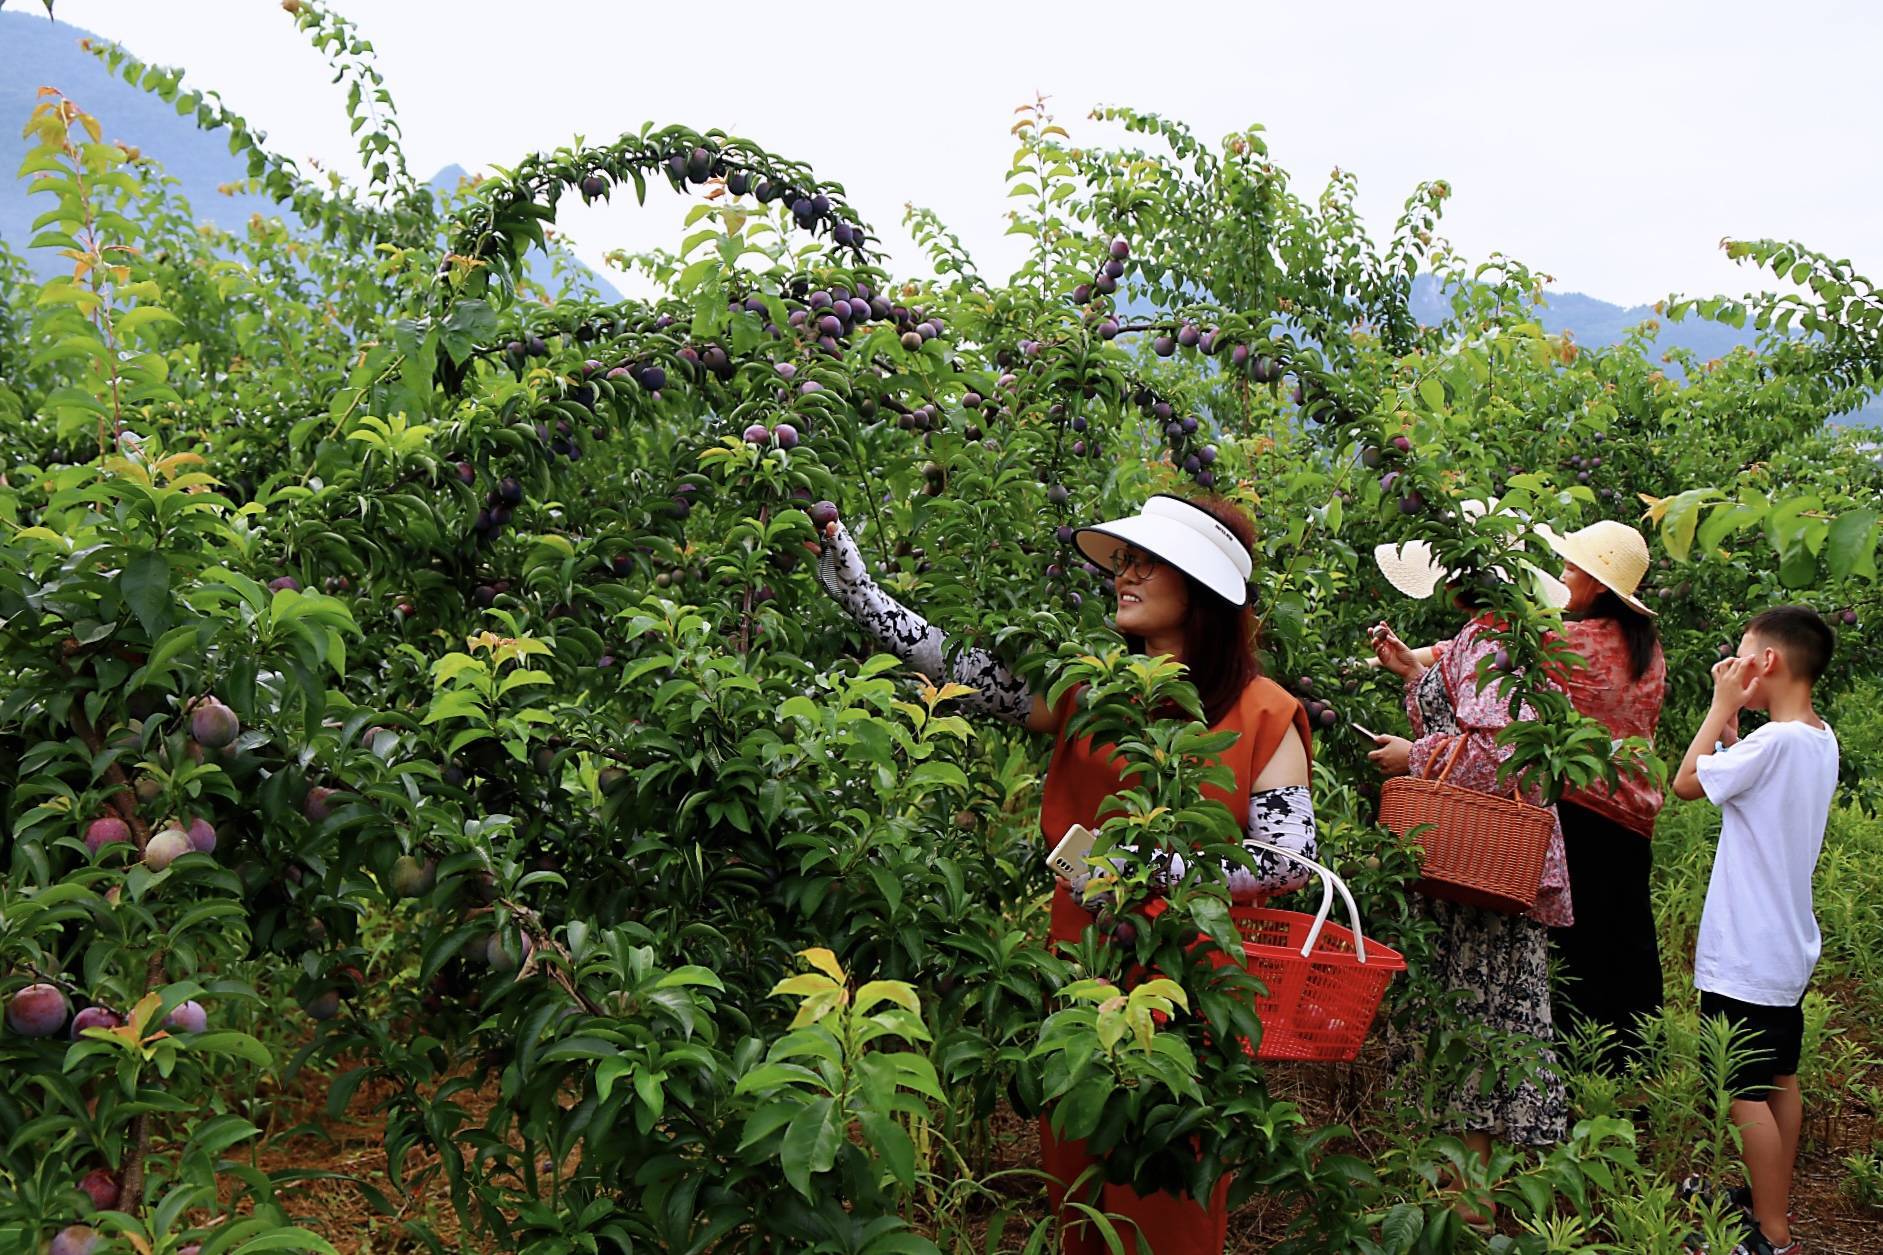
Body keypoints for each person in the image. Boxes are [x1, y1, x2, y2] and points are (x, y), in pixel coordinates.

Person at [811, 492, 1316, 1255]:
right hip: (1079, 984)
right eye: (1124, 560)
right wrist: (858, 588)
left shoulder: (1263, 712)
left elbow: (1284, 859)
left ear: (1198, 588)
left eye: (1146, 562)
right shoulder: (1090, 689)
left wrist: (1153, 866)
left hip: (1186, 995)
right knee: (1077, 1195)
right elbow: (957, 665)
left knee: (1167, 1209)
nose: (1124, 574)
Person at [1363, 512, 1574, 1223]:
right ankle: (1465, 1204)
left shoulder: (1489, 639)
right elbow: (1471, 722)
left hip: (1473, 873)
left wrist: (1412, 757)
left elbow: (1496, 754)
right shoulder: (1495, 634)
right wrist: (1417, 673)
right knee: (1476, 1032)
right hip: (1474, 864)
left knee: (1469, 1029)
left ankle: (1467, 1210)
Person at [1671, 606, 1839, 1255]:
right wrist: (1733, 731)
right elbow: (1753, 782)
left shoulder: (1773, 744)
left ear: (1766, 661)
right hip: (1785, 948)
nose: (1735, 665)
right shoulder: (1816, 739)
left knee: (1742, 1092)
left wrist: (1719, 706)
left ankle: (1771, 1233)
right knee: (1779, 1080)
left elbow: (1685, 782)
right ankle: (1769, 1199)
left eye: (1743, 652)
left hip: (1743, 953)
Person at [1535, 520, 1668, 1070]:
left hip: (1580, 807)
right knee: (1628, 937)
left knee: (1577, 943)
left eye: (1572, 568)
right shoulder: (1648, 648)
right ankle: (1638, 1063)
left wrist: (1396, 661)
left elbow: (1477, 654)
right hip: (1634, 811)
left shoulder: (1573, 642)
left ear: (1597, 582)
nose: (1564, 576)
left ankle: (1580, 1065)